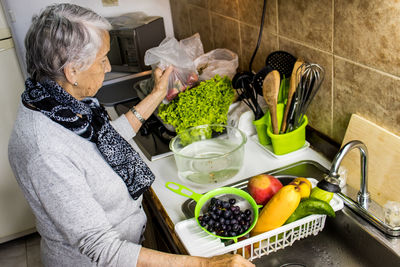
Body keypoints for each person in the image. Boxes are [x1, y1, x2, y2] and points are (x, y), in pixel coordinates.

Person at [8, 3, 254, 267]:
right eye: (102, 59)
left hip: (129, 242)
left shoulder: (56, 103)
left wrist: (158, 94)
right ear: (72, 71)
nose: (108, 66)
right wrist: (206, 264)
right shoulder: (45, 150)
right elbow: (102, 248)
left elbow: (106, 140)